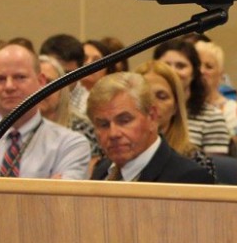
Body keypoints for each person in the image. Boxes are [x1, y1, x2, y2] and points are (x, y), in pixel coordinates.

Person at [87, 72, 215, 184]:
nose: (113, 134)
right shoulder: (101, 170)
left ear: (152, 117)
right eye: (103, 124)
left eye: (124, 121)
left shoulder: (188, 178)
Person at [0, 43, 90, 179]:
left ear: (41, 81)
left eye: (19, 77)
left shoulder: (70, 144)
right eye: (0, 79)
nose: (9, 86)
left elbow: (62, 192)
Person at [134, 60, 217, 181]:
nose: (152, 104)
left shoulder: (197, 162)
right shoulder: (117, 158)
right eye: (145, 97)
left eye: (161, 96)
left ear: (176, 106)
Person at [153, 39, 231, 155]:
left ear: (194, 73)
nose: (172, 71)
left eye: (181, 66)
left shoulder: (212, 118)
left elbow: (214, 165)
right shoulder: (146, 113)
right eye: (166, 65)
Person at [39, 54, 103, 172]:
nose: (40, 89)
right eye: (37, 82)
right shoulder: (16, 129)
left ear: (62, 88)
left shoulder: (83, 127)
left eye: (48, 82)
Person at [195, 40, 237, 135]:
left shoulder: (231, 110)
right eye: (197, 65)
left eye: (209, 67)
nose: (201, 71)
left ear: (220, 74)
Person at [40, 33, 89, 117]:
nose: (59, 79)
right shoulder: (28, 99)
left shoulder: (88, 107)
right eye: (54, 72)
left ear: (81, 72)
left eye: (66, 74)